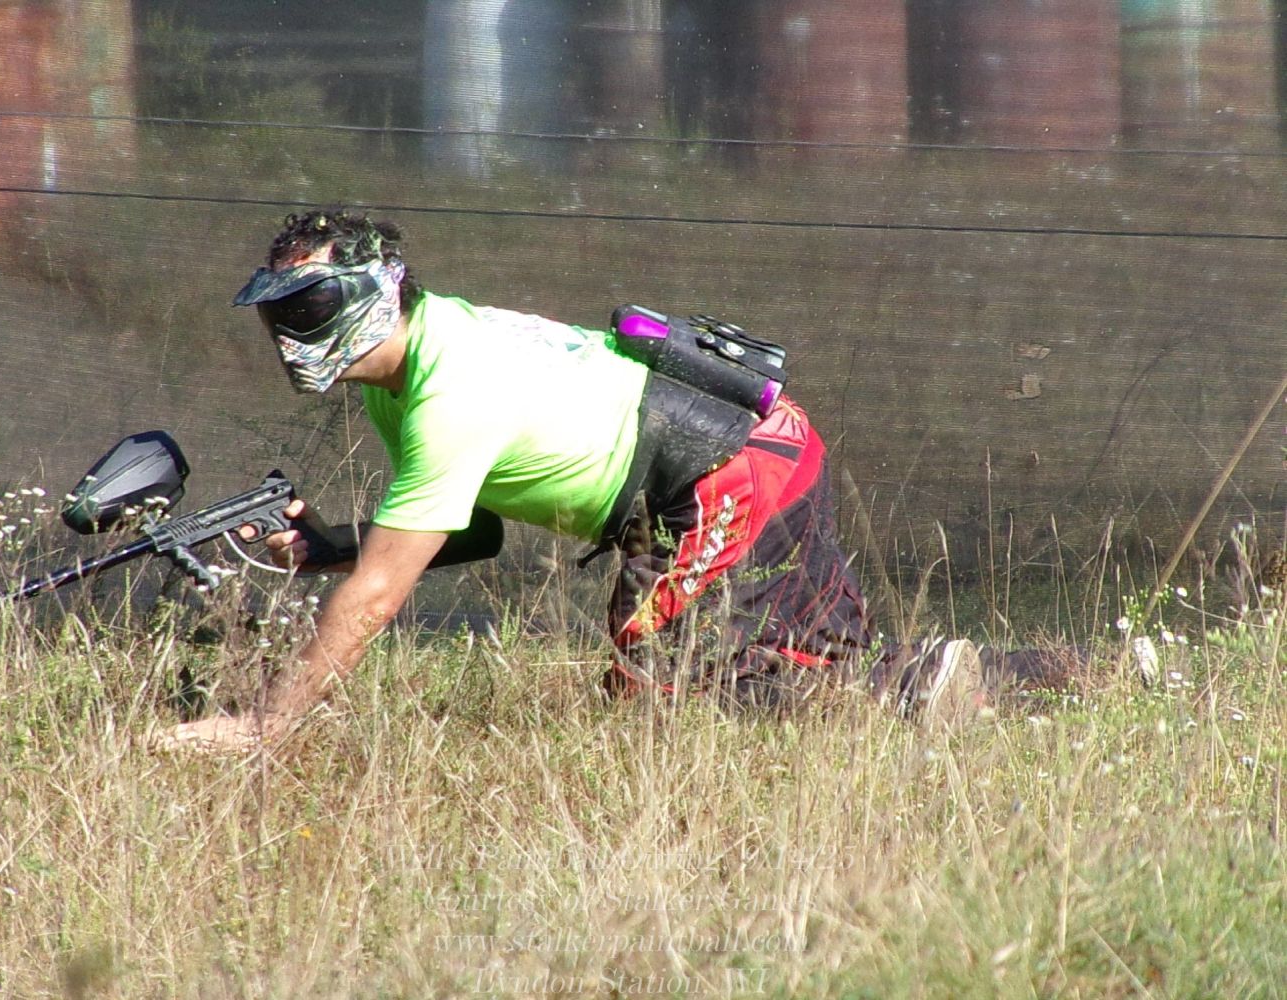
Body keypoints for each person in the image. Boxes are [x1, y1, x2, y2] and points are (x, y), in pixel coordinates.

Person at [162, 210, 1053, 753]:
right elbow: (473, 529)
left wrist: (268, 725)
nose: (288, 332)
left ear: (377, 294)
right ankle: (1046, 676)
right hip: (750, 452)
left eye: (307, 307)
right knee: (770, 662)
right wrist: (330, 546)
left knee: (657, 682)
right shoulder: (407, 371)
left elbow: (378, 597)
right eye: (278, 312)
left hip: (727, 472)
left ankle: (924, 694)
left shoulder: (448, 390)